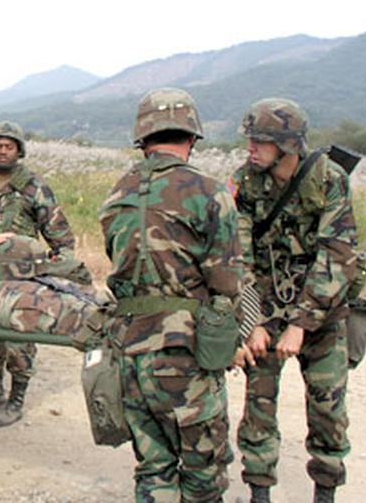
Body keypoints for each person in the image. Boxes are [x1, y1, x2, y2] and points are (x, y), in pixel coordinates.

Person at [99, 88, 245, 502]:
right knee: (203, 472)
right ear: (192, 137)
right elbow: (228, 280)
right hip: (184, 354)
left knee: (154, 467)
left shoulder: (116, 193)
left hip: (129, 352)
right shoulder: (210, 191)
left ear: (143, 139)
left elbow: (119, 260)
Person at [232, 99, 359, 503]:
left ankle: (325, 492)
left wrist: (301, 324)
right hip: (266, 314)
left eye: (260, 141)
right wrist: (251, 322)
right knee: (258, 407)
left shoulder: (328, 178)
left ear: (287, 145)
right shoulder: (246, 181)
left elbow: (338, 256)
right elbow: (239, 255)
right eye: (250, 139)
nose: (250, 148)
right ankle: (259, 492)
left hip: (321, 315)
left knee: (328, 409)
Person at [0, 120, 86, 427]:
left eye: (10, 146)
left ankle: (16, 399)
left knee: (20, 337)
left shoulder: (34, 188)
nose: (3, 152)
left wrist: (55, 274)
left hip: (21, 277)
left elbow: (60, 237)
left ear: (19, 150)